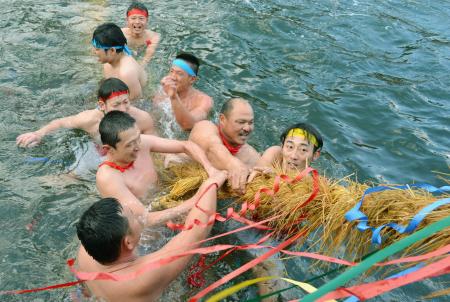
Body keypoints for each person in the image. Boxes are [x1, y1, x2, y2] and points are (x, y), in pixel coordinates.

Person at [76, 169, 228, 301]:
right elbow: (197, 231)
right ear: (128, 242)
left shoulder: (86, 248)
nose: (138, 217)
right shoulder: (144, 277)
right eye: (133, 217)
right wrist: (211, 184)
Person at [96, 110, 218, 226]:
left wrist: (210, 169)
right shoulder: (108, 177)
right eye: (129, 145)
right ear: (108, 149)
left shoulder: (140, 142)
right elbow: (145, 219)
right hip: (149, 224)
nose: (138, 146)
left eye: (138, 138)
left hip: (166, 195)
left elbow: (185, 146)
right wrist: (194, 201)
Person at [16, 78, 154, 148]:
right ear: (102, 105)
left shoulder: (142, 119)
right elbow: (60, 123)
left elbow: (155, 144)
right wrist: (38, 134)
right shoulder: (89, 120)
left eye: (126, 102)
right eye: (116, 105)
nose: (123, 109)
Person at [189, 98, 260, 193]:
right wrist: (232, 164)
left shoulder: (252, 156)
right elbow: (212, 148)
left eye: (250, 123)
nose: (247, 128)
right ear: (222, 119)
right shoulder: (204, 127)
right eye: (241, 122)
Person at [155, 53, 213, 131]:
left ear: (192, 79)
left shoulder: (204, 101)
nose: (173, 77)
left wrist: (173, 97)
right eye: (172, 71)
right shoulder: (162, 93)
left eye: (179, 73)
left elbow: (188, 125)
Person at [248, 122, 323, 182]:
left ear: (315, 155)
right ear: (282, 147)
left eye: (303, 150)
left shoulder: (310, 184)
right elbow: (254, 177)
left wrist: (277, 178)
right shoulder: (275, 154)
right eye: (290, 147)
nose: (293, 156)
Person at [92, 23, 147, 101]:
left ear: (112, 50)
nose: (93, 52)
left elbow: (137, 103)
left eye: (97, 49)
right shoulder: (108, 62)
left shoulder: (127, 73)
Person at [121, 1, 160, 67]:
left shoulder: (153, 37)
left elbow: (147, 58)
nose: (137, 22)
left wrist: (139, 68)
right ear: (127, 20)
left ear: (147, 20)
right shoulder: (120, 34)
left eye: (141, 18)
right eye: (133, 18)